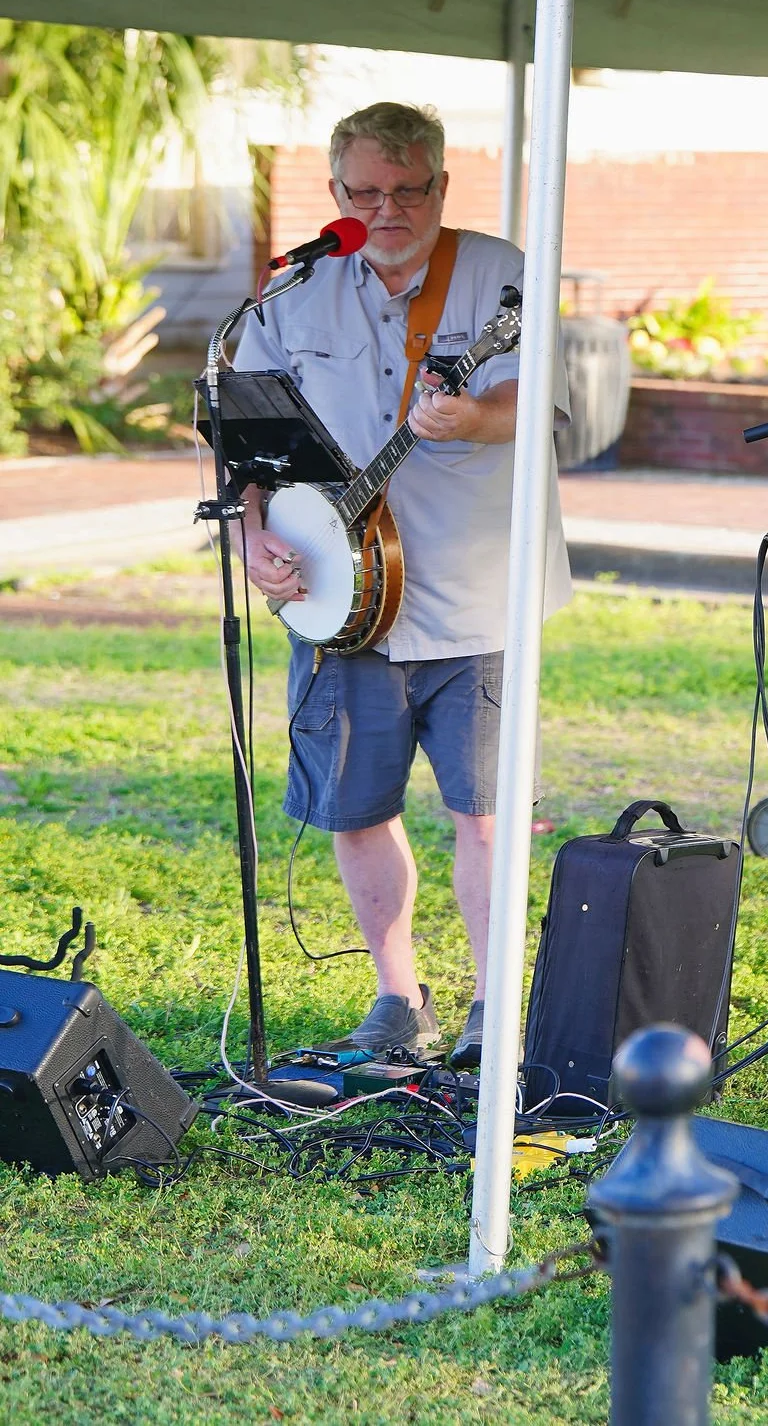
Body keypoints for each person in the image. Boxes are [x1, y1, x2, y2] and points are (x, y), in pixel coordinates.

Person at [233, 101, 571, 1069]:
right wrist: (255, 537)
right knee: (357, 807)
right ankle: (397, 996)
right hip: (341, 606)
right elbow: (246, 449)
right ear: (336, 194)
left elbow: (542, 395)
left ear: (441, 188)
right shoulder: (291, 296)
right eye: (366, 191)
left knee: (484, 812)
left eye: (408, 189)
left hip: (475, 597)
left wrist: (478, 419)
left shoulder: (500, 270)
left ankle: (490, 1007)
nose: (388, 208)